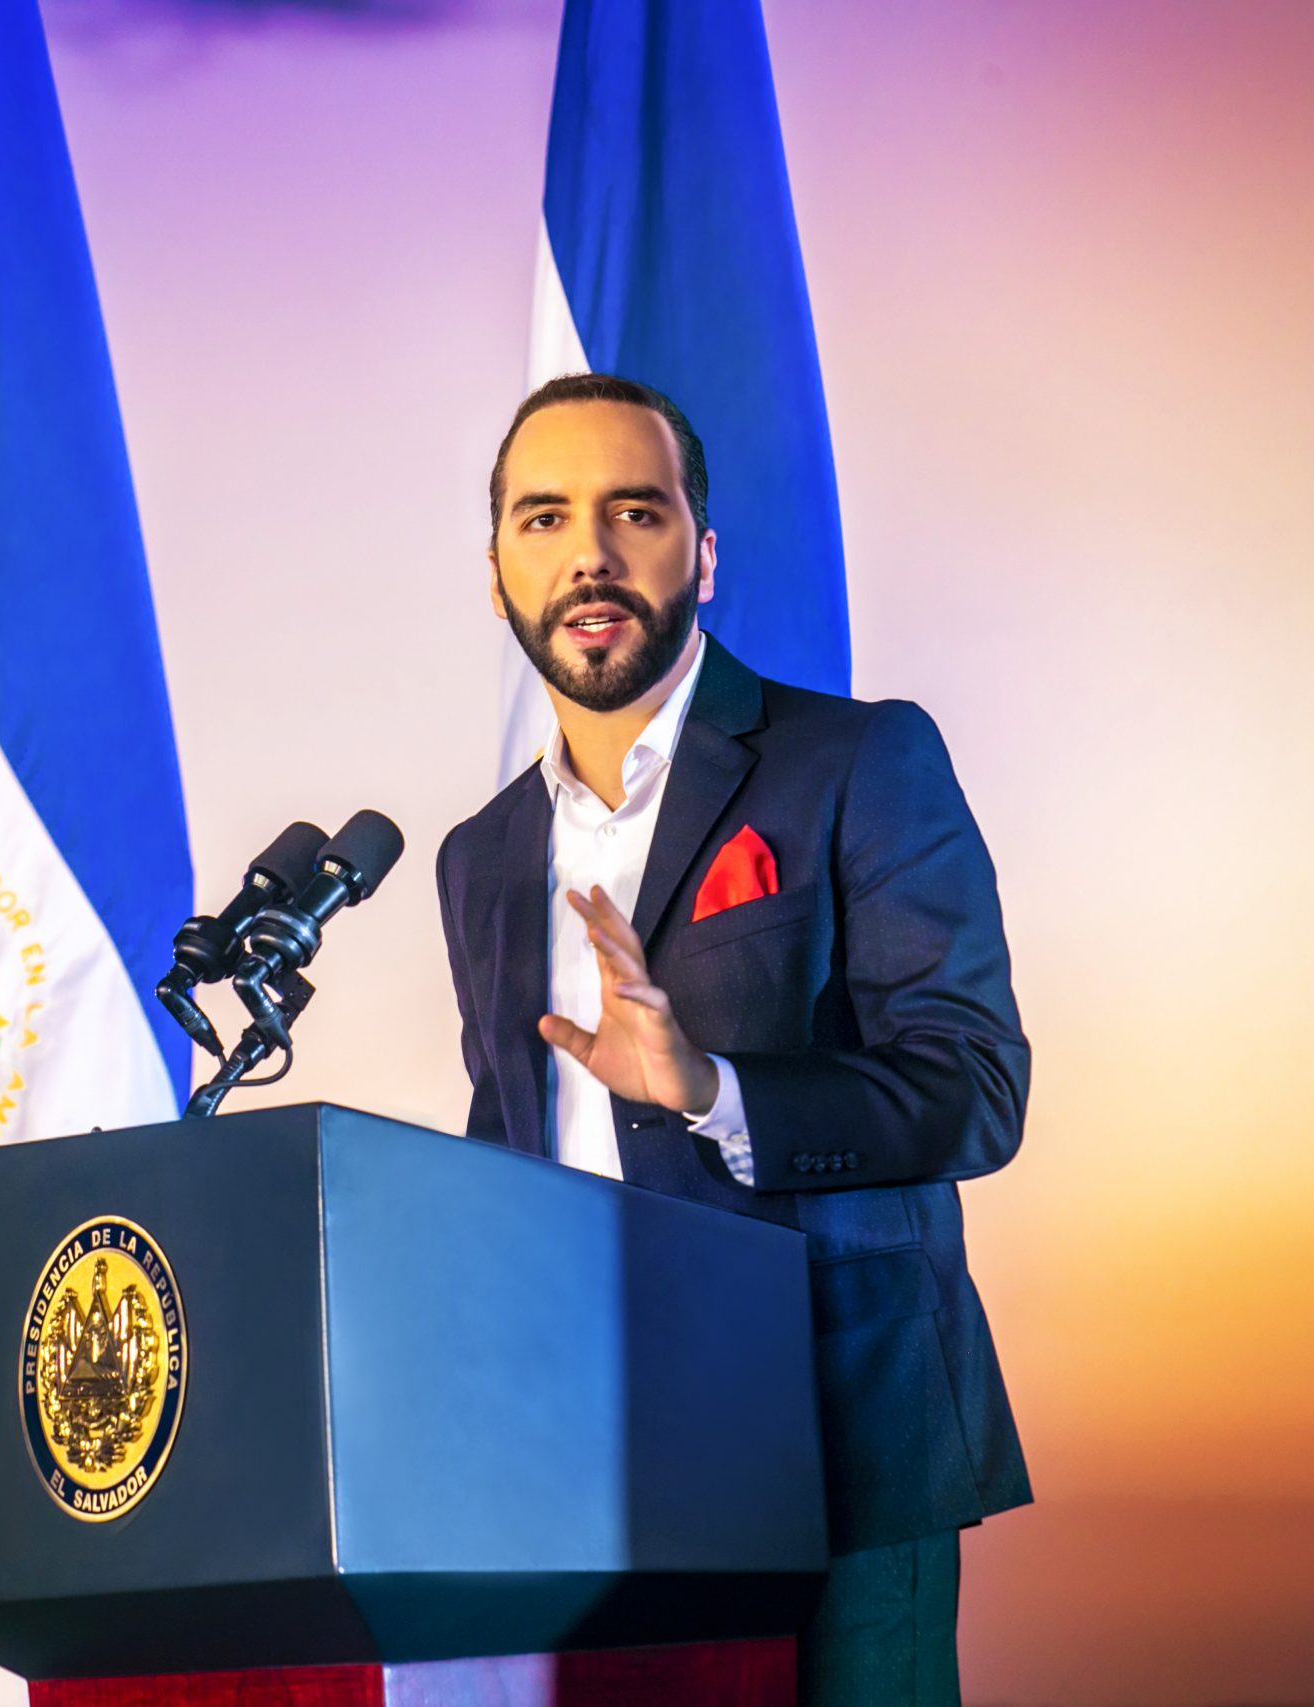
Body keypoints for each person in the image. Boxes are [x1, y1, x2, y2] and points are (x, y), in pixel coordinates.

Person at [435, 372, 1031, 1706]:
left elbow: (976, 1089)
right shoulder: (480, 859)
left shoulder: (859, 762)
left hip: (836, 1450)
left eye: (632, 511)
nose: (587, 551)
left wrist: (712, 1089)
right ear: (496, 576)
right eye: (542, 519)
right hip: (580, 1467)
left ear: (701, 552)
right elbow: (504, 1151)